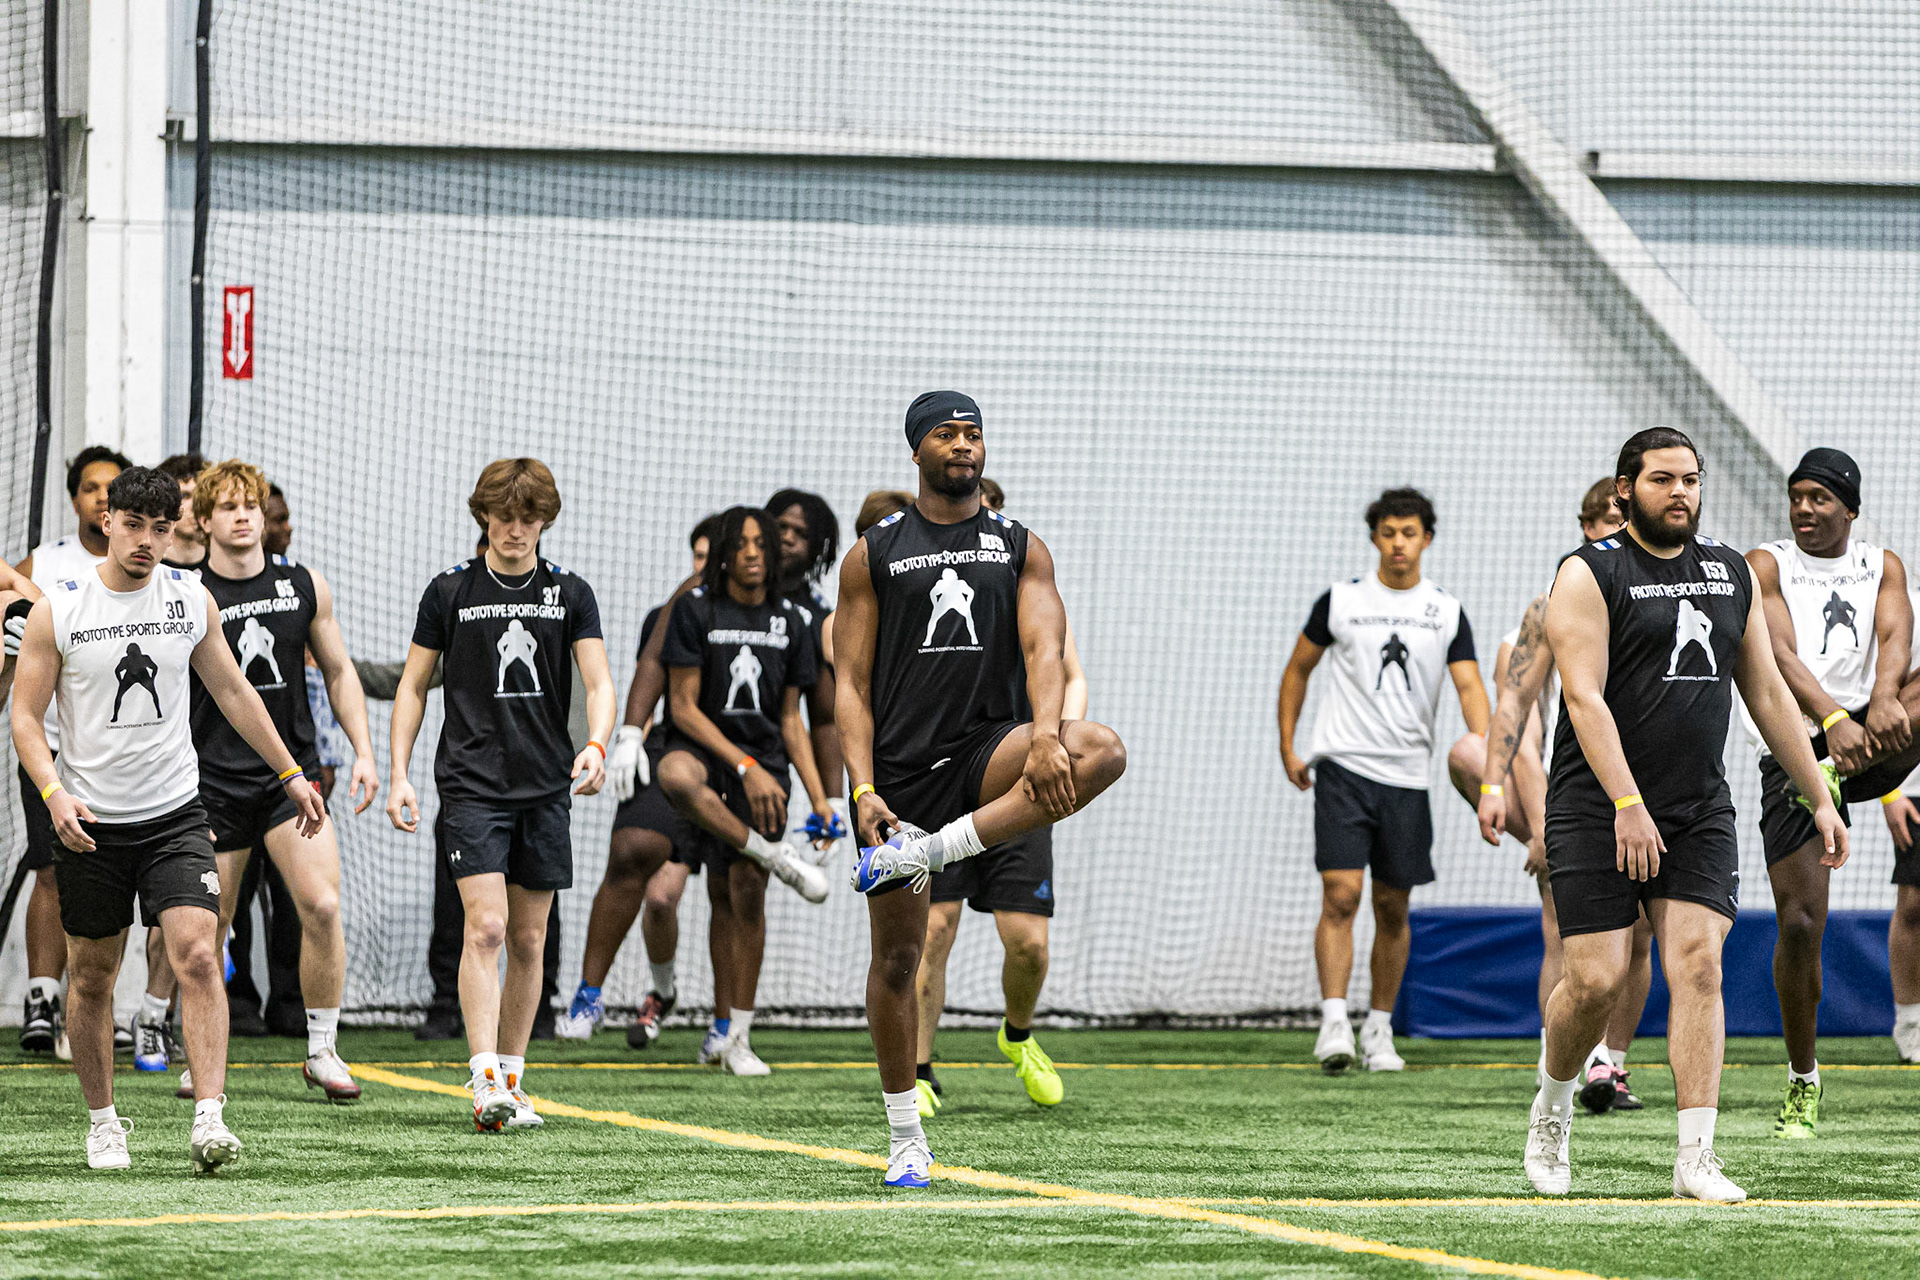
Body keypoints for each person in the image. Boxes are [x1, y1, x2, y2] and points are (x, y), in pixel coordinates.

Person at [1527, 428, 1847, 1203]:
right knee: (1594, 981)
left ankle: (1695, 1158)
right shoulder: (1588, 573)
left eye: (1691, 480)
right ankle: (1552, 1109)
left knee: (1700, 964)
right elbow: (1584, 699)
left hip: (1697, 807)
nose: (1680, 492)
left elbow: (1766, 692)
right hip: (1597, 805)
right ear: (1626, 489)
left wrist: (1818, 794)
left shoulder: (1730, 572)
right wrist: (1627, 804)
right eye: (1662, 479)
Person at [836, 390, 1127, 1188]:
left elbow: (1044, 648)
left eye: (973, 433)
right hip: (900, 775)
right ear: (917, 450)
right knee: (899, 960)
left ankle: (932, 852)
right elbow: (849, 686)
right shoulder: (873, 554)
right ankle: (906, 1138)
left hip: (988, 751)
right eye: (946, 433)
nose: (963, 444)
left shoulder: (1019, 545)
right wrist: (861, 792)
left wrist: (1046, 735)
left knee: (1100, 749)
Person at [11, 465, 325, 1172]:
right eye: (135, 526)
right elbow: (26, 718)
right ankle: (103, 1123)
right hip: (90, 821)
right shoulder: (60, 608)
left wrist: (292, 774)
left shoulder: (189, 598)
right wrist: (54, 794)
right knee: (93, 977)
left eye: (161, 529)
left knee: (198, 954)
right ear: (109, 523)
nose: (147, 542)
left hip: (176, 815)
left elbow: (236, 693)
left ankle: (210, 1117)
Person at [387, 459, 615, 1131]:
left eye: (528, 517)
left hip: (545, 785)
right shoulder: (449, 590)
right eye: (504, 516)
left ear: (546, 520)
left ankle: (514, 1080)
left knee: (529, 936)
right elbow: (412, 686)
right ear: (483, 515)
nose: (516, 529)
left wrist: (597, 743)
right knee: (485, 927)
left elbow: (599, 682)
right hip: (471, 784)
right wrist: (399, 772)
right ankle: (484, 1076)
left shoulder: (571, 593)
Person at [178, 459, 383, 1104]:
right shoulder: (185, 592)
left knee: (322, 906)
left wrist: (364, 752)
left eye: (252, 506)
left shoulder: (303, 584)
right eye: (228, 507)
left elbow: (340, 671)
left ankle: (322, 1049)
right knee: (210, 924)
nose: (243, 517)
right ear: (204, 520)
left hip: (289, 779)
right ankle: (201, 1054)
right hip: (210, 781)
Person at [1452, 479, 1654, 1113]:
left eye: (1619, 519)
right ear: (1584, 527)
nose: (1610, 531)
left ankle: (1610, 1063)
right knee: (1564, 930)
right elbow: (1522, 725)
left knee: (1641, 932)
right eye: (1601, 521)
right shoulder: (1549, 609)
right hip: (1571, 793)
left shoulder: (1662, 596)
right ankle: (1558, 1068)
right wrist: (1530, 818)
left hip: (1647, 786)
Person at [1277, 488, 1488, 1074]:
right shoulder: (1341, 601)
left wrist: (1488, 760)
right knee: (1341, 894)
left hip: (1408, 776)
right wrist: (1289, 745)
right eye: (1389, 532)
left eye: (1409, 533)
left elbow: (1470, 686)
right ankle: (1334, 1023)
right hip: (1343, 766)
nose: (1399, 543)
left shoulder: (1445, 610)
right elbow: (1297, 670)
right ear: (1375, 537)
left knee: (1393, 906)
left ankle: (1379, 1029)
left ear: (1427, 539)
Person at [1743, 448, 1911, 1137]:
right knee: (1801, 924)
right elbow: (1777, 654)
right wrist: (1832, 720)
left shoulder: (1882, 564)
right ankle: (1803, 1079)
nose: (1804, 509)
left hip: (1871, 738)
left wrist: (1885, 695)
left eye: (1819, 498)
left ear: (1851, 508)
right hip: (1801, 749)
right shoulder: (1767, 564)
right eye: (1797, 497)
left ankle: (1859, 760)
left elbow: (1895, 634)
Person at [912, 476, 1089, 1117]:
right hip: (940, 784)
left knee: (1029, 944)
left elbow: (1071, 677)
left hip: (1020, 782)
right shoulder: (916, 587)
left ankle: (1017, 1035)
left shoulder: (1029, 585)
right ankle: (919, 1069)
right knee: (934, 929)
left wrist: (1055, 745)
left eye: (989, 513)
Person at [656, 507, 835, 1075]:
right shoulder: (694, 609)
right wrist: (741, 765)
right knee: (674, 779)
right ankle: (772, 854)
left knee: (744, 894)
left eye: (762, 543)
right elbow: (682, 707)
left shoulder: (794, 620)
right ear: (724, 553)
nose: (753, 552)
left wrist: (822, 799)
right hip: (708, 758)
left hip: (767, 767)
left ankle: (737, 1037)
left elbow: (792, 719)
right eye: (742, 543)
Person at [559, 515, 717, 1045]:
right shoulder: (667, 615)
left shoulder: (763, 618)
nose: (703, 568)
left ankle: (696, 1011)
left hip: (731, 762)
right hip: (669, 752)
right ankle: (590, 996)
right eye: (697, 557)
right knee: (634, 859)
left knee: (668, 897)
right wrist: (625, 744)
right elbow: (649, 686)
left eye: (711, 558)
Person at [13, 445, 130, 1056]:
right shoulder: (46, 562)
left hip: (122, 755)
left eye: (113, 487)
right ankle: (42, 997)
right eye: (91, 487)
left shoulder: (144, 566)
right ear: (75, 498)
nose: (102, 497)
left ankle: (100, 1008)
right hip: (52, 747)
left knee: (110, 881)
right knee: (50, 868)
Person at [766, 489, 849, 864]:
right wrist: (634, 734)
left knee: (744, 880)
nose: (787, 538)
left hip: (767, 756)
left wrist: (831, 803)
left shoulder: (817, 617)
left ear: (818, 547)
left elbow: (825, 719)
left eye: (800, 533)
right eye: (781, 526)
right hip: (694, 745)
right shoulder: (719, 588)